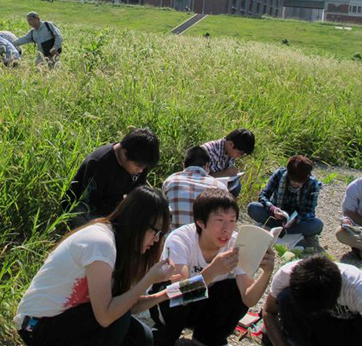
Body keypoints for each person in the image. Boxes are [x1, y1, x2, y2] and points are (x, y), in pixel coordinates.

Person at [15, 186, 178, 346]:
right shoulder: (101, 243)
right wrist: (149, 279)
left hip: (68, 321)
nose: (156, 240)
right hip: (36, 325)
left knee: (142, 337)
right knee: (118, 322)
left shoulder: (117, 247)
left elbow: (125, 305)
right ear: (137, 223)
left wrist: (164, 294)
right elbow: (106, 316)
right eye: (155, 232)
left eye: (160, 235)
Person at [150, 188, 275, 346]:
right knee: (175, 295)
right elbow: (179, 295)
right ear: (200, 222)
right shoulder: (180, 240)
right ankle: (166, 337)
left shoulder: (236, 243)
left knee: (232, 289)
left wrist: (267, 272)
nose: (226, 229)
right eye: (220, 220)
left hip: (204, 305)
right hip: (171, 305)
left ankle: (205, 339)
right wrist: (213, 270)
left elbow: (248, 299)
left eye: (232, 221)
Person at [263, 256, 362, 346]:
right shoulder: (286, 275)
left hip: (353, 333)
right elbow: (268, 312)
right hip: (319, 332)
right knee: (285, 298)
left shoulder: (358, 289)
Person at [63, 128, 160, 228]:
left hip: (113, 206)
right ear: (124, 153)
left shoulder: (140, 161)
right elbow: (90, 203)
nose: (141, 171)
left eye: (144, 167)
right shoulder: (99, 163)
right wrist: (118, 216)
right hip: (82, 207)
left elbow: (138, 194)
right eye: (138, 166)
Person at [247, 155, 324, 243]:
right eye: (293, 180)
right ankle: (284, 231)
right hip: (275, 215)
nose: (295, 184)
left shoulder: (313, 184)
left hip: (295, 221)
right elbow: (263, 196)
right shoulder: (279, 174)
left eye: (298, 182)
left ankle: (276, 229)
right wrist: (273, 209)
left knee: (317, 225)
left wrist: (295, 219)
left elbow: (310, 211)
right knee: (253, 207)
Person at [162, 146, 227, 229]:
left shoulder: (170, 181)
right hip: (206, 241)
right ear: (207, 166)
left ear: (184, 165)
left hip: (174, 239)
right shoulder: (219, 186)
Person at [201, 129, 255, 197]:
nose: (239, 156)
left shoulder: (229, 151)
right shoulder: (207, 151)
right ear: (231, 144)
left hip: (220, 187)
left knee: (236, 187)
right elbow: (198, 178)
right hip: (204, 191)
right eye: (239, 153)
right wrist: (225, 173)